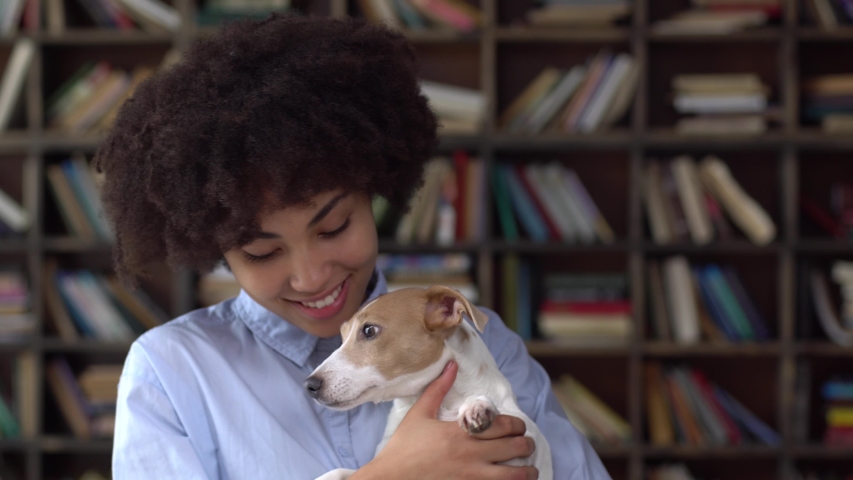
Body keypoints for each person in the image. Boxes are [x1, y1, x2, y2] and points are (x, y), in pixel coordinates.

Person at [97, 13, 610, 480]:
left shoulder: (484, 342)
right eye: (263, 253)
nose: (312, 277)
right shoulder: (171, 371)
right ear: (213, 248)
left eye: (334, 226)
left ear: (374, 192)